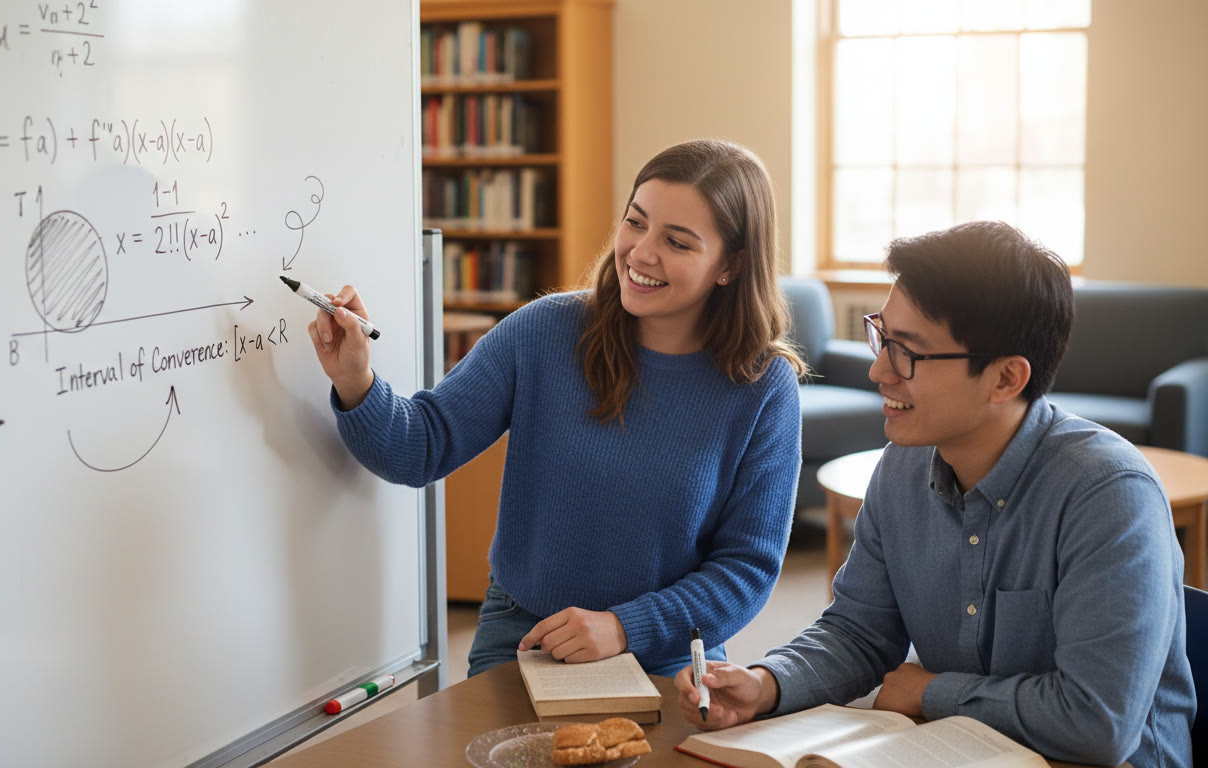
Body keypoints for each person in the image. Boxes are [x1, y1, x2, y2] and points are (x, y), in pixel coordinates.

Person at [675, 221, 1196, 767]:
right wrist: (766, 684)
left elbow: (1098, 723)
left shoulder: (1108, 496)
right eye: (883, 337)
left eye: (907, 353)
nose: (879, 370)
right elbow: (859, 632)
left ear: (1005, 379)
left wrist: (929, 691)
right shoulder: (902, 466)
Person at [307, 139, 807, 677]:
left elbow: (745, 570)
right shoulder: (546, 330)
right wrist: (355, 377)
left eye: (677, 243)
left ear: (730, 265)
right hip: (527, 634)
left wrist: (622, 627)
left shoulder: (764, 388)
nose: (640, 252)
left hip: (665, 651)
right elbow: (419, 447)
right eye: (635, 222)